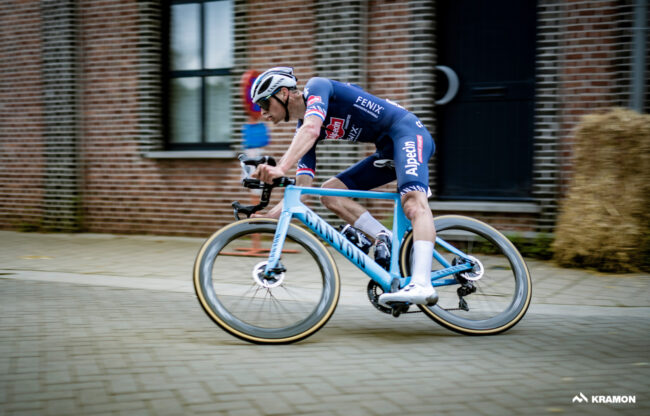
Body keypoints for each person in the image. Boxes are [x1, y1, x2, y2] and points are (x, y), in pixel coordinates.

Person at [250, 67, 438, 307]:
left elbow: (312, 128)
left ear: (284, 93)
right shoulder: (304, 128)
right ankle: (386, 238)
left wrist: (280, 168)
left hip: (408, 133)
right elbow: (303, 190)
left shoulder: (317, 88)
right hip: (388, 149)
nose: (263, 112)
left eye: (265, 104)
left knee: (412, 202)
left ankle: (422, 284)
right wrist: (269, 217)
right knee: (330, 194)